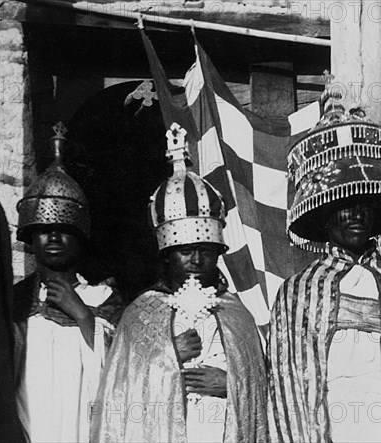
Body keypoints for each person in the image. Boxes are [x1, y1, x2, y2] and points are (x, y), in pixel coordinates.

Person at [267, 97, 381, 442]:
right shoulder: (297, 292)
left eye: (364, 205)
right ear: (323, 215)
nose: (356, 215)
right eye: (344, 205)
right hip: (330, 424)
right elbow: (286, 383)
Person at [90, 123, 268, 442]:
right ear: (167, 256)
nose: (197, 260)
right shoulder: (140, 315)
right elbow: (122, 396)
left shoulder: (238, 315)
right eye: (186, 251)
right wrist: (169, 356)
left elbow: (261, 390)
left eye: (206, 251)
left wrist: (231, 384)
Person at [13, 123, 122, 442]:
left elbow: (126, 375)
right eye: (45, 229)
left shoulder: (105, 300)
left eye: (64, 229)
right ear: (32, 236)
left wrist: (84, 316)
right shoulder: (16, 301)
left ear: (80, 236)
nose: (54, 237)